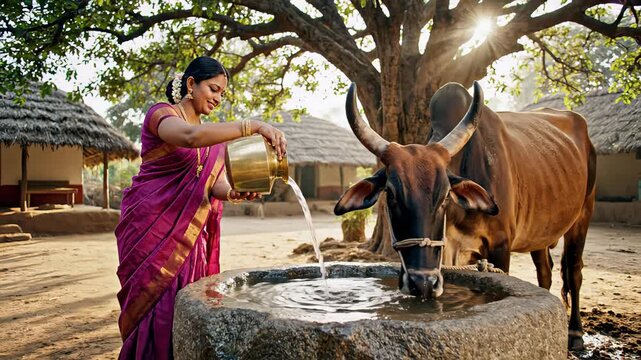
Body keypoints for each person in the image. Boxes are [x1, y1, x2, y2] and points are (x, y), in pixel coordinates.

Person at [115, 56, 287, 360]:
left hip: (189, 238)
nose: (218, 98)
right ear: (191, 84)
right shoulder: (162, 114)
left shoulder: (214, 141)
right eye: (213, 89)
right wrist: (253, 125)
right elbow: (188, 136)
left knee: (183, 304)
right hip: (150, 227)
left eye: (222, 93)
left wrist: (234, 193)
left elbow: (214, 185)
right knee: (155, 306)